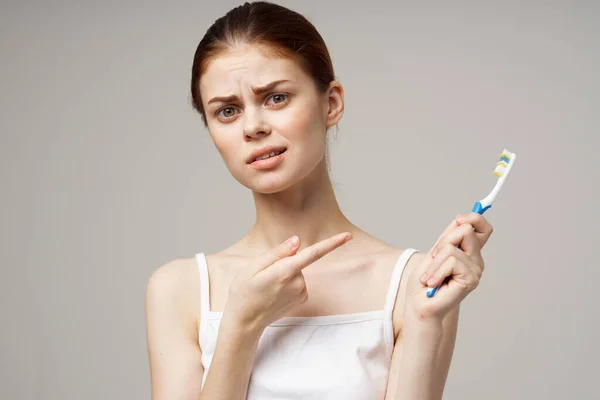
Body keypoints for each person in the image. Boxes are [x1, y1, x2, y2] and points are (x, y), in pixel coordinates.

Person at [145, 1, 494, 399]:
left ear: (331, 103)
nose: (253, 127)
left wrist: (423, 321)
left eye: (276, 98)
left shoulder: (416, 283)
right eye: (227, 111)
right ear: (211, 131)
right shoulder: (179, 289)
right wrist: (240, 326)